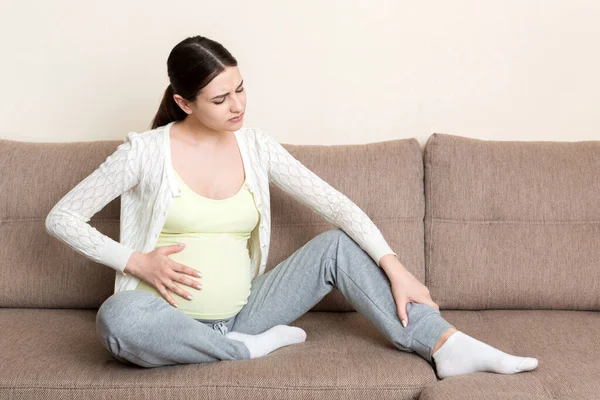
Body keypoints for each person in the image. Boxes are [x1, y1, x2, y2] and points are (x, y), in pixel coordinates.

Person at [45, 35, 538, 378]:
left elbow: (336, 204)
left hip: (248, 311)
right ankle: (239, 352)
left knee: (335, 247)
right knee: (117, 320)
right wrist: (134, 260)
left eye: (240, 89)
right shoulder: (144, 152)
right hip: (165, 319)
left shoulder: (257, 147)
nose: (238, 105)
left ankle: (447, 346)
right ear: (184, 102)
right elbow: (62, 216)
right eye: (220, 99)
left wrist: (396, 267)